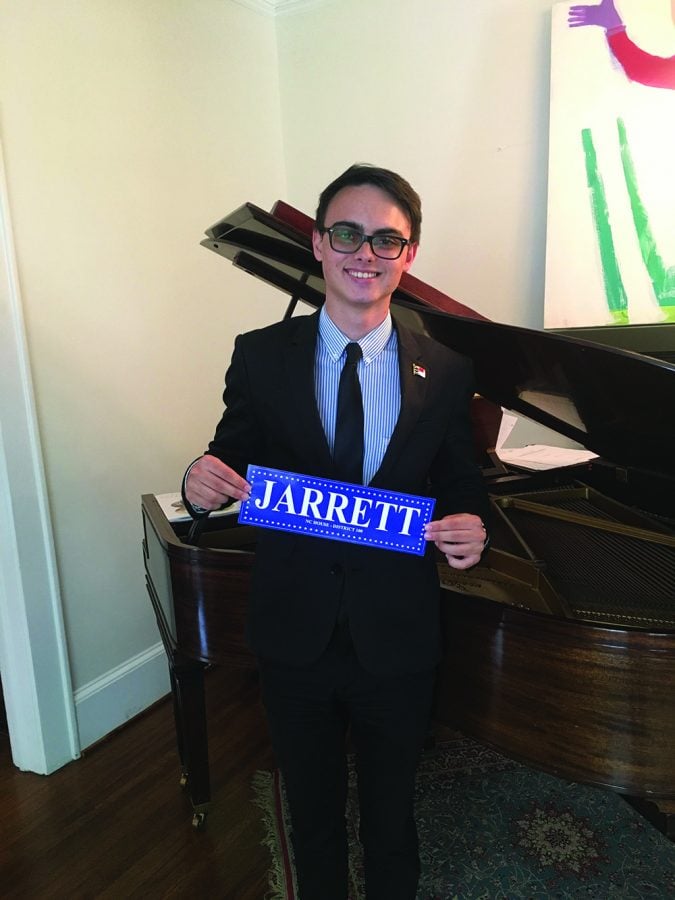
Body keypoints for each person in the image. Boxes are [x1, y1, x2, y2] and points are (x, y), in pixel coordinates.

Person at [182, 163, 490, 900]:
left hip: (399, 633)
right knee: (310, 810)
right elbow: (233, 450)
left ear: (408, 255)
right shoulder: (260, 355)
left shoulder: (445, 370)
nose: (365, 252)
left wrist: (470, 520)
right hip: (294, 631)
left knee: (392, 813)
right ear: (318, 244)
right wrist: (203, 479)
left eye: (388, 239)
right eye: (347, 233)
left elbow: (459, 481)